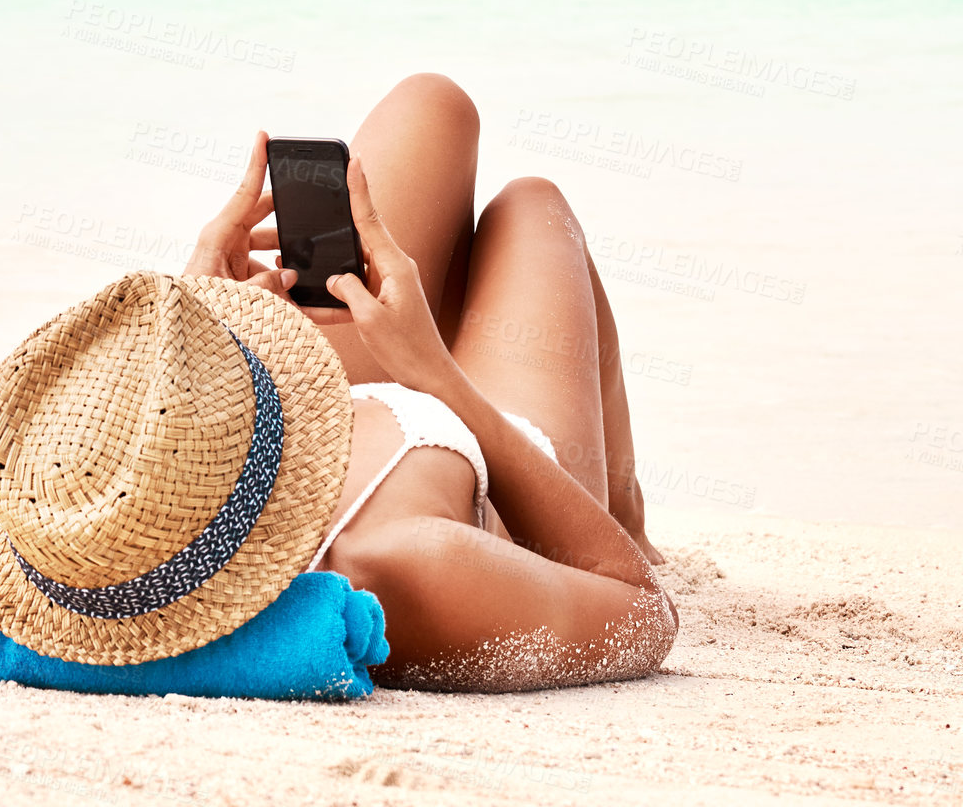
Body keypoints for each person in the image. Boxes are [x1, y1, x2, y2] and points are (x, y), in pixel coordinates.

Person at [174, 73, 676, 691]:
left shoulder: (95, 506)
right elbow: (645, 616)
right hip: (496, 454)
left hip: (307, 408)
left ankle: (438, 314)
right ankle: (626, 515)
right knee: (532, 204)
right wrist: (433, 372)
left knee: (433, 104)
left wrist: (201, 320)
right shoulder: (411, 564)